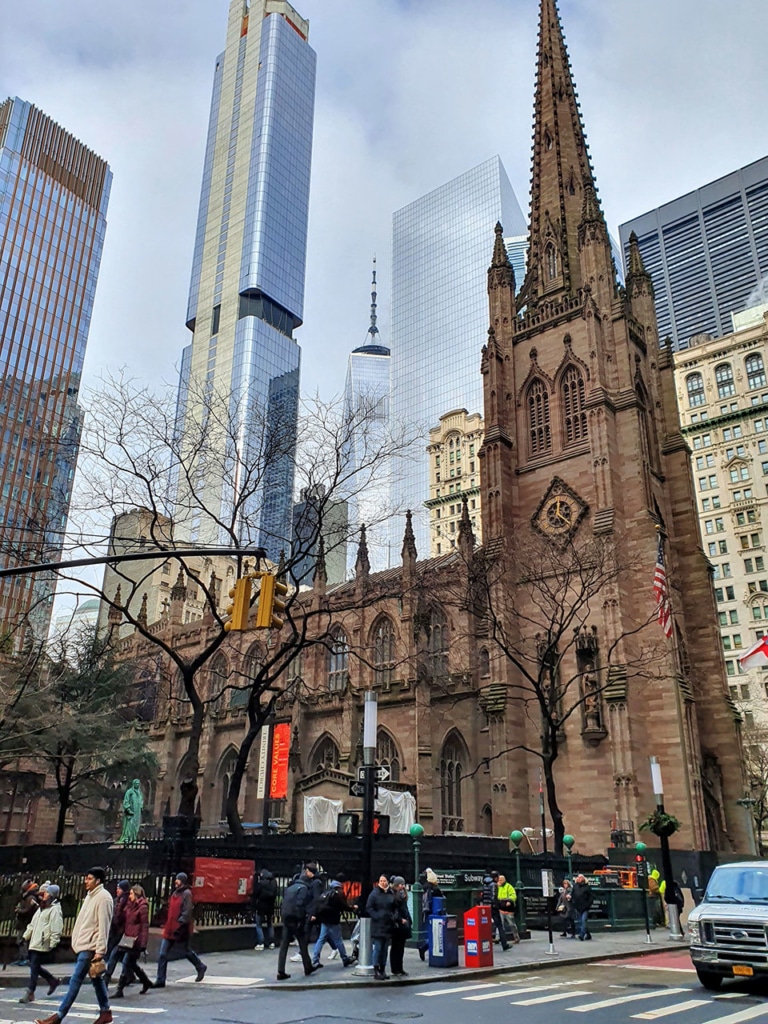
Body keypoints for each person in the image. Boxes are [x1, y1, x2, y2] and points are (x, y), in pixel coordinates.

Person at [34, 866, 113, 1024]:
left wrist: (100, 950)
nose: (86, 881)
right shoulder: (91, 895)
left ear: (98, 881)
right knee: (97, 980)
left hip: (90, 947)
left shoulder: (103, 898)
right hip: (84, 944)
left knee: (75, 981)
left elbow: (104, 925)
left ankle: (59, 1016)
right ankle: (105, 1012)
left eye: (89, 878)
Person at [155, 873, 207, 988]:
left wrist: (180, 923)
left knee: (186, 952)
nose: (176, 882)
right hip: (170, 929)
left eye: (178, 880)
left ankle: (200, 966)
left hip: (181, 929)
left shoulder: (187, 894)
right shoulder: (175, 893)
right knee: (163, 954)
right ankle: (160, 979)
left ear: (182, 881)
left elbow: (187, 912)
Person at [19, 885, 63, 1004]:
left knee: (34, 966)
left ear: (52, 895)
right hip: (35, 942)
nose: (44, 894)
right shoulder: (41, 907)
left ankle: (30, 992)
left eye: (47, 893)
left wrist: (53, 943)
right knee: (33, 965)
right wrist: (25, 936)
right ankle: (52, 980)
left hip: (43, 943)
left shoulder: (54, 909)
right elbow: (32, 925)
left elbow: (56, 928)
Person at [276, 864, 320, 980]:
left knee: (284, 945)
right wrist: (302, 920)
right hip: (295, 920)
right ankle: (308, 967)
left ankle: (281, 971)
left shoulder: (290, 887)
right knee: (302, 943)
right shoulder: (304, 888)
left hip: (286, 919)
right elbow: (300, 905)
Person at [112, 885, 153, 998]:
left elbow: (145, 926)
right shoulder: (130, 906)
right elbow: (121, 917)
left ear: (136, 894)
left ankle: (120, 989)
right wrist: (120, 905)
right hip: (128, 938)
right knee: (131, 964)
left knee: (126, 963)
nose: (129, 896)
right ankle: (146, 981)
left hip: (136, 940)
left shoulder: (142, 906)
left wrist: (143, 944)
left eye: (131, 894)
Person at [311, 877, 355, 968]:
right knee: (338, 940)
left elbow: (318, 904)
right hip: (333, 920)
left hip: (324, 920)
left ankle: (315, 959)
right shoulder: (338, 893)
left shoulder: (327, 891)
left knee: (321, 939)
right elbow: (344, 906)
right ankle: (345, 958)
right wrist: (352, 908)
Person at [366, 874, 396, 981]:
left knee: (384, 950)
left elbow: (394, 907)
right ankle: (376, 970)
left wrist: (393, 916)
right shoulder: (374, 894)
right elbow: (369, 908)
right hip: (378, 926)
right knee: (377, 948)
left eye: (384, 880)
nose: (383, 882)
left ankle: (382, 969)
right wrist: (377, 916)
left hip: (388, 925)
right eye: (381, 880)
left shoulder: (390, 893)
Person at [104, 881, 131, 983]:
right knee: (127, 959)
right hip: (115, 932)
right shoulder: (117, 901)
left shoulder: (127, 902)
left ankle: (107, 977)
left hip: (124, 934)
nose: (117, 890)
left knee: (114, 955)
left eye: (119, 888)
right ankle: (130, 976)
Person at [389, 877, 412, 977]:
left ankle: (400, 967)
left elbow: (405, 909)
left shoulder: (403, 895)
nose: (402, 886)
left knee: (401, 947)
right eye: (400, 884)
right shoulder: (393, 895)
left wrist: (409, 920)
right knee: (396, 947)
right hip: (397, 924)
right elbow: (393, 911)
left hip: (404, 923)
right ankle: (395, 968)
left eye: (403, 884)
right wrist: (399, 919)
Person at [14, 879, 40, 966]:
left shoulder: (30, 898)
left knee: (23, 940)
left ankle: (25, 958)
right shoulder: (27, 897)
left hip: (26, 922)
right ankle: (22, 957)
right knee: (21, 940)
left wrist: (19, 911)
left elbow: (29, 910)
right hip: (24, 922)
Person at [418, 868, 442, 961]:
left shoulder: (425, 887)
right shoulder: (432, 888)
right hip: (433, 913)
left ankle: (425, 948)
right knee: (434, 933)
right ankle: (425, 948)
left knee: (431, 933)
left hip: (428, 913)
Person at [481, 873, 509, 952]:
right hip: (493, 908)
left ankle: (484, 945)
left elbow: (482, 896)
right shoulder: (494, 885)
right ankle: (504, 944)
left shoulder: (484, 885)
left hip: (485, 907)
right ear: (495, 878)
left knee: (485, 926)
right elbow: (493, 897)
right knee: (500, 926)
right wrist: (496, 905)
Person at [252, 868, 278, 950]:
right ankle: (271, 942)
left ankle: (261, 943)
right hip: (270, 906)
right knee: (270, 924)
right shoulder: (274, 883)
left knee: (259, 925)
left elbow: (255, 894)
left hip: (261, 906)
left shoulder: (261, 883)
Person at [118, 780, 144, 844]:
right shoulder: (129, 792)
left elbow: (141, 801)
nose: (137, 785)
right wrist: (128, 809)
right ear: (133, 784)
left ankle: (133, 838)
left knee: (136, 826)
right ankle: (127, 838)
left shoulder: (139, 793)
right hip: (130, 812)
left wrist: (141, 806)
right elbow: (126, 801)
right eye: (136, 784)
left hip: (137, 813)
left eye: (138, 784)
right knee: (129, 825)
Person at [496, 874, 520, 944]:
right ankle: (497, 938)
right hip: (500, 908)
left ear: (504, 880)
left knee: (512, 924)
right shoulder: (497, 887)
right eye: (498, 880)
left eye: (500, 880)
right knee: (500, 924)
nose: (499, 881)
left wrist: (510, 901)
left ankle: (516, 937)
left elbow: (513, 895)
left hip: (508, 909)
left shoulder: (509, 887)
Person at [572, 874, 594, 941]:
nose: (579, 878)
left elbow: (591, 897)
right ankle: (588, 934)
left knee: (583, 921)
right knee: (581, 921)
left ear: (584, 879)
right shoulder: (575, 886)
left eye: (581, 877)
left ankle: (582, 935)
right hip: (578, 906)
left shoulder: (587, 887)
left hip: (585, 907)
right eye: (578, 877)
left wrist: (588, 905)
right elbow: (573, 894)